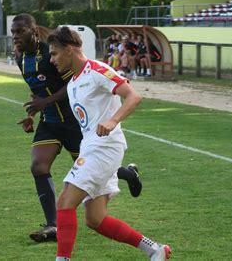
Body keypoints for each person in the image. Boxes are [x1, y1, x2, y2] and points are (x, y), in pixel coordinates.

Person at [10, 13, 143, 243]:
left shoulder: (53, 52)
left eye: (19, 32)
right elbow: (39, 89)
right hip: (50, 121)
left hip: (73, 121)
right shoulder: (22, 58)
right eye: (12, 33)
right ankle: (53, 224)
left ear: (33, 31)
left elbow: (74, 83)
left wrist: (46, 102)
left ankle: (127, 173)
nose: (15, 37)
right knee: (38, 165)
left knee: (88, 171)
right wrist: (33, 112)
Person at [47, 27, 171, 261]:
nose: (51, 59)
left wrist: (113, 120)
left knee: (64, 202)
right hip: (92, 147)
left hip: (104, 147)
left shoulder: (97, 70)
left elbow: (133, 95)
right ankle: (155, 250)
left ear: (70, 49)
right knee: (95, 219)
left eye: (54, 53)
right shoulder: (73, 82)